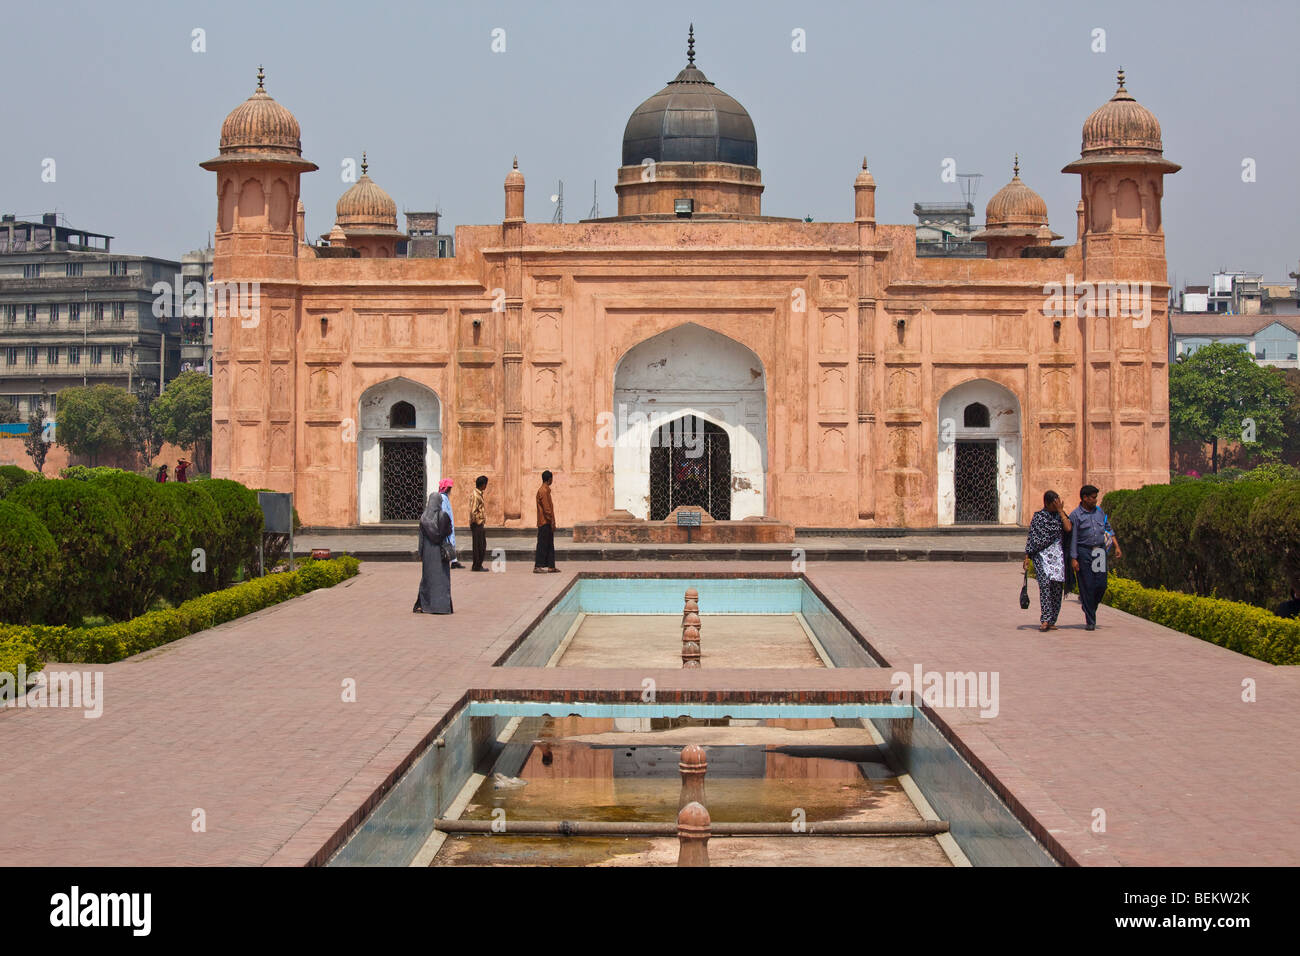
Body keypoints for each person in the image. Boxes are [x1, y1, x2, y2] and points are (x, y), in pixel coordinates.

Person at [1069, 484, 1124, 631]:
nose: (1095, 500)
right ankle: (1090, 619)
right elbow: (1073, 538)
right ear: (1085, 498)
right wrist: (1074, 558)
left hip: (1099, 552)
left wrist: (1117, 546)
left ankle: (1089, 606)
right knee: (1087, 585)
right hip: (1084, 552)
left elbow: (1108, 529)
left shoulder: (1100, 512)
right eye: (1093, 498)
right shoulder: (1076, 515)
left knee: (1101, 584)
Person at [1024, 490, 1073, 632]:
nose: (1056, 505)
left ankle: (1052, 620)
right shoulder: (1039, 517)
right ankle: (1045, 619)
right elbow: (1032, 537)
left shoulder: (1060, 516)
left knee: (1057, 588)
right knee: (1045, 585)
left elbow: (1068, 528)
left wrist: (1060, 511)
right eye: (1054, 504)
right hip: (1041, 556)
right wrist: (1027, 557)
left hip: (1057, 557)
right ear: (1046, 503)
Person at [413, 491, 453, 614]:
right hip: (440, 552)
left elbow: (421, 539)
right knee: (442, 579)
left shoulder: (424, 518)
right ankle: (442, 606)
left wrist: (421, 553)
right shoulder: (443, 515)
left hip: (428, 553)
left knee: (427, 579)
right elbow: (448, 532)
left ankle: (424, 605)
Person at [534, 470, 559, 573]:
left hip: (547, 522)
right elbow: (547, 509)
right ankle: (538, 566)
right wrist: (552, 521)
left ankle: (551, 566)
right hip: (545, 522)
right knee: (542, 544)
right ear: (549, 479)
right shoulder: (543, 491)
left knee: (549, 544)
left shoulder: (546, 490)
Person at [438, 478, 462, 568]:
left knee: (450, 542)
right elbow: (444, 512)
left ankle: (454, 560)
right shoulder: (443, 498)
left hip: (448, 523)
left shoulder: (445, 497)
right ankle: (451, 560)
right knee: (448, 542)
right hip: (446, 524)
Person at [470, 475, 489, 571]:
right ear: (482, 485)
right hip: (477, 523)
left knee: (481, 544)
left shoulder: (479, 494)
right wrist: (476, 522)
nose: (486, 486)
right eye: (485, 484)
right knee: (478, 546)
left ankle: (477, 564)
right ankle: (477, 565)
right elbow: (473, 511)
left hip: (479, 523)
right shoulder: (475, 495)